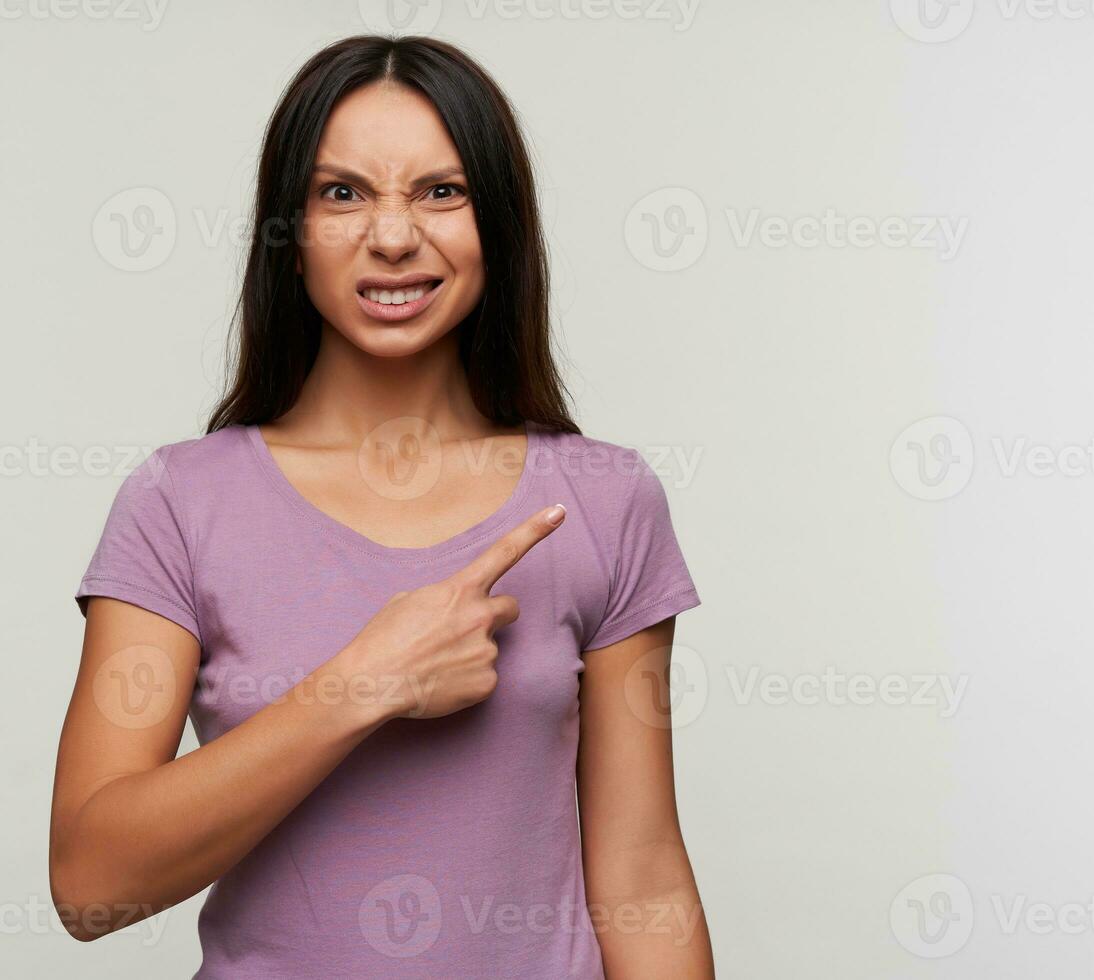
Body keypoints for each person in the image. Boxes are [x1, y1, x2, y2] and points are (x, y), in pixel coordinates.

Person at [49, 34, 713, 979]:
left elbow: (642, 876)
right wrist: (366, 682)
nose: (394, 236)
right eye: (342, 193)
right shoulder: (177, 503)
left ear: (501, 226)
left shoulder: (605, 501)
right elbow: (87, 882)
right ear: (289, 235)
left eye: (442, 192)